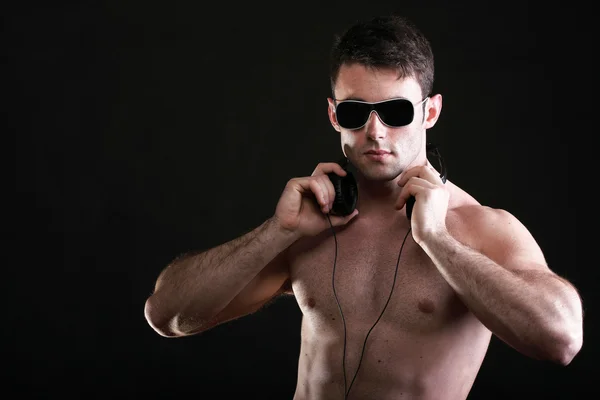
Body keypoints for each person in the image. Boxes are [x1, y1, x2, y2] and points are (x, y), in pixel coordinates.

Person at [144, 15, 584, 400]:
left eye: (395, 111)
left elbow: (561, 340)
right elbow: (168, 316)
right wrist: (278, 231)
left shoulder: (477, 228)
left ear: (429, 112)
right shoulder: (309, 223)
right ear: (335, 115)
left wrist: (437, 241)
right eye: (357, 112)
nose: (376, 132)